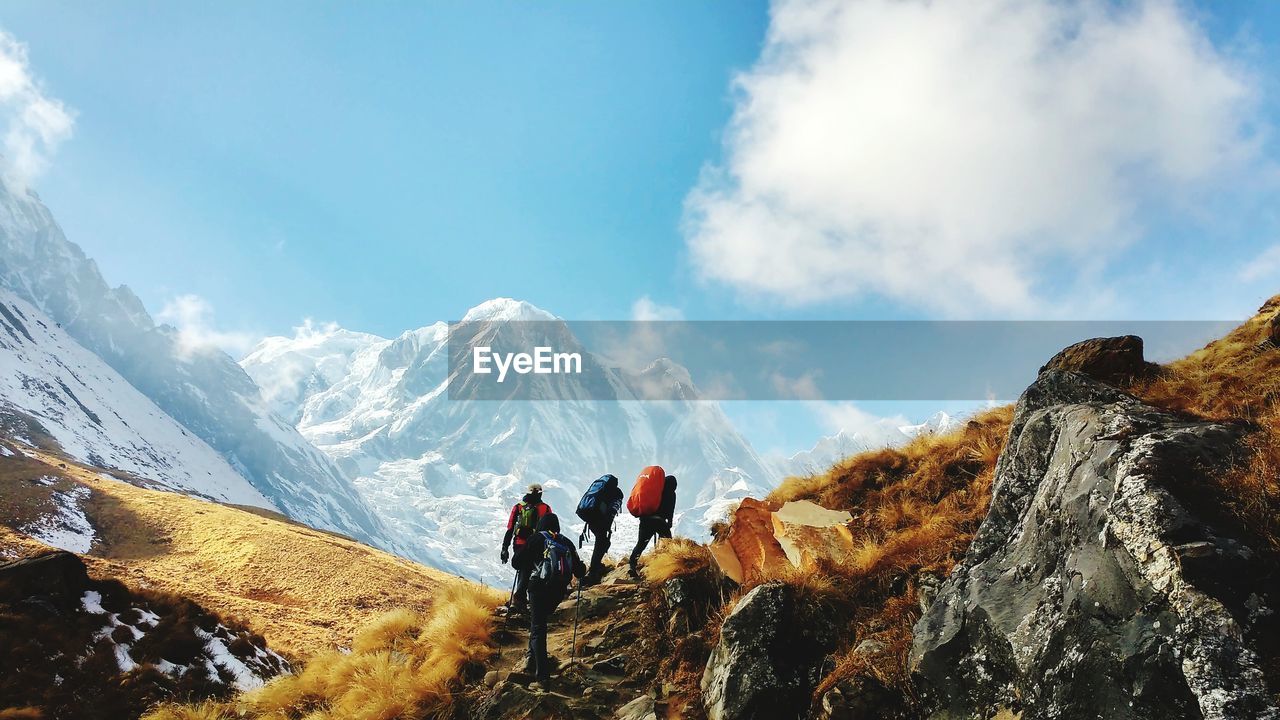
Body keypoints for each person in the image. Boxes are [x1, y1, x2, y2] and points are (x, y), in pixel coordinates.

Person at [512, 513, 584, 687]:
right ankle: (532, 659)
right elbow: (580, 571)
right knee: (539, 624)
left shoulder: (537, 538)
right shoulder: (566, 542)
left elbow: (516, 562)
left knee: (538, 629)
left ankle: (542, 678)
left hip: (538, 588)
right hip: (557, 591)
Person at [500, 483, 552, 613]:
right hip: (537, 543)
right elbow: (551, 528)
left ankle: (519, 599)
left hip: (519, 543)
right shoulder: (545, 508)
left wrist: (504, 547)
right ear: (541, 493)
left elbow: (510, 528)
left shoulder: (518, 507)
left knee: (524, 569)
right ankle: (524, 599)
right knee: (533, 570)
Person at [577, 474, 624, 586]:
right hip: (599, 518)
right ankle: (593, 572)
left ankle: (595, 567)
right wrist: (607, 525)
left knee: (602, 541)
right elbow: (613, 510)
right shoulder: (617, 493)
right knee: (602, 542)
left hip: (588, 514)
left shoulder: (598, 489)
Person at [629, 474, 677, 578]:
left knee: (641, 544)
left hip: (645, 520)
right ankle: (665, 565)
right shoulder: (671, 493)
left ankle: (632, 565)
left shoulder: (656, 489)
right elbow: (670, 510)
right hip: (660, 522)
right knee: (667, 542)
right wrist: (669, 522)